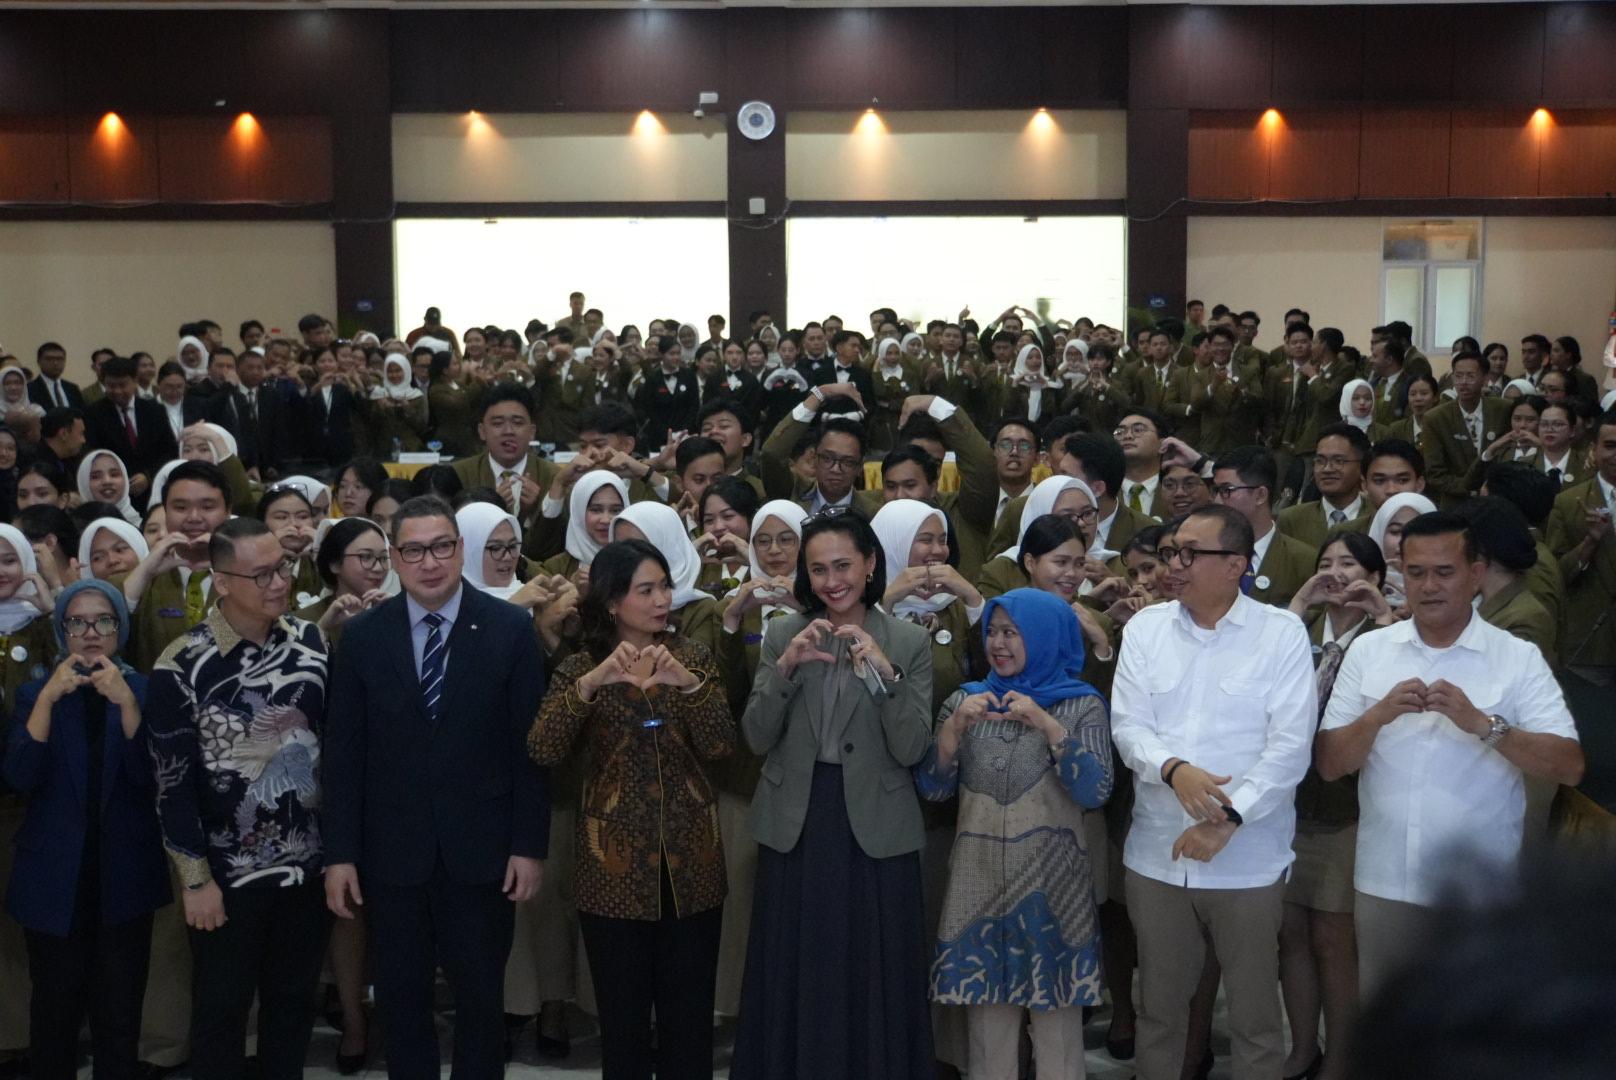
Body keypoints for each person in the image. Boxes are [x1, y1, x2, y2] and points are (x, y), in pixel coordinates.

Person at [323, 495, 549, 1080]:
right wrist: (340, 854)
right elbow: (343, 758)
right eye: (415, 550)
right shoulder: (364, 638)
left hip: (485, 852)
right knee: (402, 1004)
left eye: (442, 547)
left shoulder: (510, 629)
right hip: (392, 857)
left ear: (459, 550)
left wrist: (529, 845)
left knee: (480, 1007)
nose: (430, 562)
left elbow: (531, 748)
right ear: (396, 559)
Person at [1316, 512, 1583, 999]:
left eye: (1445, 571)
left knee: (1474, 1041)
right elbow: (1331, 763)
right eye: (1416, 572)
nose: (1429, 586)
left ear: (1476, 574)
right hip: (1384, 880)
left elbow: (1568, 763)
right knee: (1392, 1036)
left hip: (1480, 890)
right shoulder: (1370, 651)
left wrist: (1485, 725)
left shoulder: (1515, 656)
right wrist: (1376, 717)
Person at [1111, 504, 1316, 1080]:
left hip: (1248, 859)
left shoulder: (1280, 634)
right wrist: (1173, 768)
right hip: (1157, 852)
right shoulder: (1147, 628)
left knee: (1253, 1019)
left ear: (1235, 565)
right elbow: (1128, 727)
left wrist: (1229, 819)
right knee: (1159, 1012)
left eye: (1189, 554)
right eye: (1171, 551)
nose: (1173, 565)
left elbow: (1289, 748)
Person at [733, 509, 934, 1079]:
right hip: (797, 820)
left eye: (843, 565)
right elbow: (756, 736)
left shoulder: (908, 640)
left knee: (873, 970)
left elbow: (912, 746)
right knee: (798, 968)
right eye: (818, 569)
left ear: (871, 564)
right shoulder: (781, 633)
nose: (831, 581)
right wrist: (785, 670)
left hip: (873, 825)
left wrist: (884, 675)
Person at [528, 539, 732, 1080]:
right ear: (614, 602)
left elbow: (720, 746)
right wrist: (592, 686)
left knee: (689, 1027)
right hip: (613, 872)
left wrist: (688, 688)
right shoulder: (580, 667)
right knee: (623, 1029)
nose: (662, 599)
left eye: (665, 586)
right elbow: (543, 748)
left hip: (693, 867)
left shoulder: (692, 658)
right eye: (647, 590)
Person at [143, 517, 330, 1080]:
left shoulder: (312, 643)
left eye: (285, 567)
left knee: (293, 1006)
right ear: (221, 581)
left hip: (307, 863)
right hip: (226, 873)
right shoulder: (182, 665)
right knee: (222, 1012)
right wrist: (196, 881)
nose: (280, 582)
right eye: (262, 574)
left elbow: (336, 750)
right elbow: (171, 785)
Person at [917, 588, 1113, 1080]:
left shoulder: (1080, 705)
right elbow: (933, 789)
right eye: (993, 632)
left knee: (1058, 1033)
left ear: (1045, 637)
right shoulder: (966, 698)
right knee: (986, 1035)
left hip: (1053, 893)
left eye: (1012, 633)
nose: (999, 644)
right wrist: (951, 733)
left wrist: (1046, 725)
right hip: (977, 887)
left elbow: (1095, 790)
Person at [4, 580, 166, 1080]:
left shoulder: (143, 689)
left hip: (125, 874)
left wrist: (128, 706)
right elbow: (18, 778)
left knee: (119, 1015)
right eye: (77, 622)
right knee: (53, 1014)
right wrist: (48, 700)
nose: (91, 632)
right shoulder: (36, 691)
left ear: (120, 627)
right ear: (62, 629)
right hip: (54, 877)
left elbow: (155, 780)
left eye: (104, 621)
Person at [1279, 531, 1398, 1080]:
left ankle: (1346, 1057)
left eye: (1349, 564)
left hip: (1349, 805)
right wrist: (1299, 602)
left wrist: (1384, 620)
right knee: (1292, 935)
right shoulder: (1295, 629)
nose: (1336, 573)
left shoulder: (1388, 636)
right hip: (1284, 805)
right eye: (1325, 562)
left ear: (1375, 576)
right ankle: (1303, 1047)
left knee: (1332, 938)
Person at [1211, 446, 1317, 606]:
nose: (1217, 501)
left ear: (1260, 495)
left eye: (1227, 490)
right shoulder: (1204, 553)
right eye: (1216, 490)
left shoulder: (1304, 560)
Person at [1419, 352, 1511, 509]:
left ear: (1485, 378)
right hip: (1456, 504)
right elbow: (1435, 473)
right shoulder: (1435, 418)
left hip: (1497, 502)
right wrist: (1468, 487)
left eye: (1470, 376)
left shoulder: (1503, 409)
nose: (1463, 382)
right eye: (1458, 376)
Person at [1366, 492, 1438, 611]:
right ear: (1379, 533)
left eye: (1416, 532)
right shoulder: (1361, 584)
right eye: (1395, 532)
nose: (1403, 541)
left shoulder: (1450, 585)